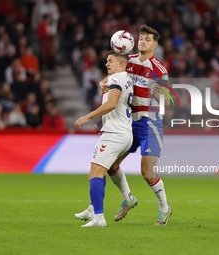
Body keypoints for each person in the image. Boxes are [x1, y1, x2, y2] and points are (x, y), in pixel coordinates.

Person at [76, 25, 172, 225]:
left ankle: (164, 208)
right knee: (110, 165)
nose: (142, 41)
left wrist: (160, 94)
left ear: (155, 44)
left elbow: (168, 100)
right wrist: (104, 84)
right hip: (129, 123)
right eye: (141, 38)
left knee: (148, 173)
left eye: (147, 39)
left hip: (150, 123)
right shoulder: (129, 61)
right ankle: (127, 199)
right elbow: (113, 78)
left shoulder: (160, 69)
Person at [74, 50, 134, 227]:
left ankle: (98, 218)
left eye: (110, 61)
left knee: (95, 173)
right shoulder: (126, 79)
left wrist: (88, 117)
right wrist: (103, 83)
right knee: (104, 169)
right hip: (124, 133)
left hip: (114, 134)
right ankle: (94, 208)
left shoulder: (117, 79)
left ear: (121, 63)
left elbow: (112, 103)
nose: (106, 64)